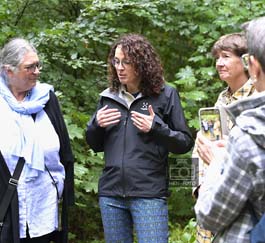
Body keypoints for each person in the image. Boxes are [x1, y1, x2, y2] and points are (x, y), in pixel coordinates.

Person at [86, 33, 194, 243]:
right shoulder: (108, 96)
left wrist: (156, 128)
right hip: (111, 193)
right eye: (116, 61)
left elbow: (184, 143)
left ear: (142, 64)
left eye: (126, 62)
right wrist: (95, 125)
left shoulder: (166, 94)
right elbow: (95, 144)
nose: (120, 67)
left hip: (149, 193)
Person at [195, 16, 265, 242]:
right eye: (217, 58)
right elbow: (201, 148)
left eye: (226, 57)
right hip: (214, 194)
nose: (219, 63)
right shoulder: (220, 100)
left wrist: (219, 161)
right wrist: (198, 187)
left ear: (249, 63)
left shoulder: (255, 111)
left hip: (240, 216)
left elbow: (212, 214)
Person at [0, 38, 74, 243]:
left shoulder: (47, 99)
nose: (37, 71)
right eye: (29, 67)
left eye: (38, 65)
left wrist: (63, 190)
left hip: (43, 204)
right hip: (7, 207)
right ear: (9, 71)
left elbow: (65, 150)